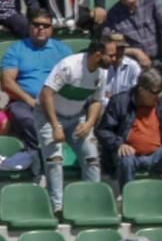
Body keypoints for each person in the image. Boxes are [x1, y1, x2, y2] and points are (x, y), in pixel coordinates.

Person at [96, 67, 162, 215]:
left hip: (156, 154)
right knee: (126, 159)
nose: (157, 96)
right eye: (154, 92)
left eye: (160, 92)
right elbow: (103, 130)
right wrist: (119, 144)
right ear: (141, 89)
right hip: (131, 155)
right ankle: (130, 202)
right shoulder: (120, 102)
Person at [36, 41, 109, 215]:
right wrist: (55, 126)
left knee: (92, 158)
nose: (114, 59)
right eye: (111, 55)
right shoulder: (69, 66)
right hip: (49, 115)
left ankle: (92, 203)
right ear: (98, 54)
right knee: (55, 160)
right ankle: (57, 206)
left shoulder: (102, 73)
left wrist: (89, 123)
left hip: (77, 117)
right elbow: (46, 94)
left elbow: (96, 101)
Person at [0, 9, 72, 157]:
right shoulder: (16, 49)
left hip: (56, 101)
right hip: (24, 102)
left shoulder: (63, 50)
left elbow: (73, 77)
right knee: (25, 118)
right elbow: (7, 83)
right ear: (29, 26)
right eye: (36, 24)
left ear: (51, 28)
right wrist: (30, 100)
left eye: (45, 25)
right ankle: (39, 154)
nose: (41, 28)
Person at [102, 32, 141, 106]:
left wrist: (114, 98)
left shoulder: (133, 67)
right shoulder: (103, 66)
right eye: (117, 48)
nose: (120, 51)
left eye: (122, 48)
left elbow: (135, 95)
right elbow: (98, 96)